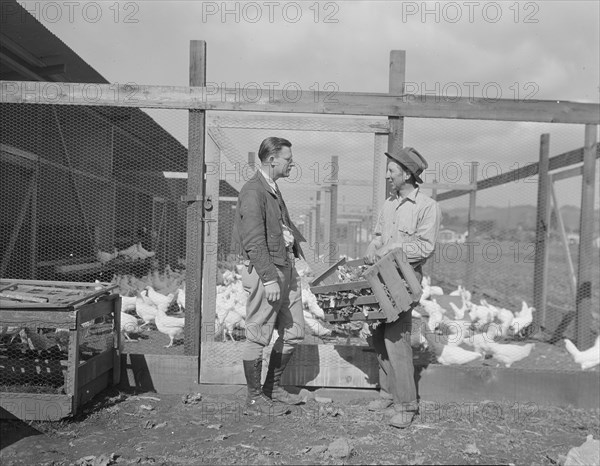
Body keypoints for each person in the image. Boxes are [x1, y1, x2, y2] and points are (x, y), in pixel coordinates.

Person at [363, 145, 441, 429]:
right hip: (379, 277)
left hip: (404, 280)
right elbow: (378, 235)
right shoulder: (389, 204)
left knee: (396, 339)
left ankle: (406, 405)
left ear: (407, 173)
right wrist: (374, 245)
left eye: (392, 170)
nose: (387, 175)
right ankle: (387, 393)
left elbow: (425, 247)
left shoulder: (427, 207)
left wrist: (397, 246)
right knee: (378, 335)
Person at [232, 136, 307, 416]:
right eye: (288, 159)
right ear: (272, 160)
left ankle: (272, 388)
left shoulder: (271, 188)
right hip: (268, 271)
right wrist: (268, 277)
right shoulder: (253, 191)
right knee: (257, 334)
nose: (292, 163)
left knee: (295, 330)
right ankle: (253, 400)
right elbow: (252, 239)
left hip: (285, 266)